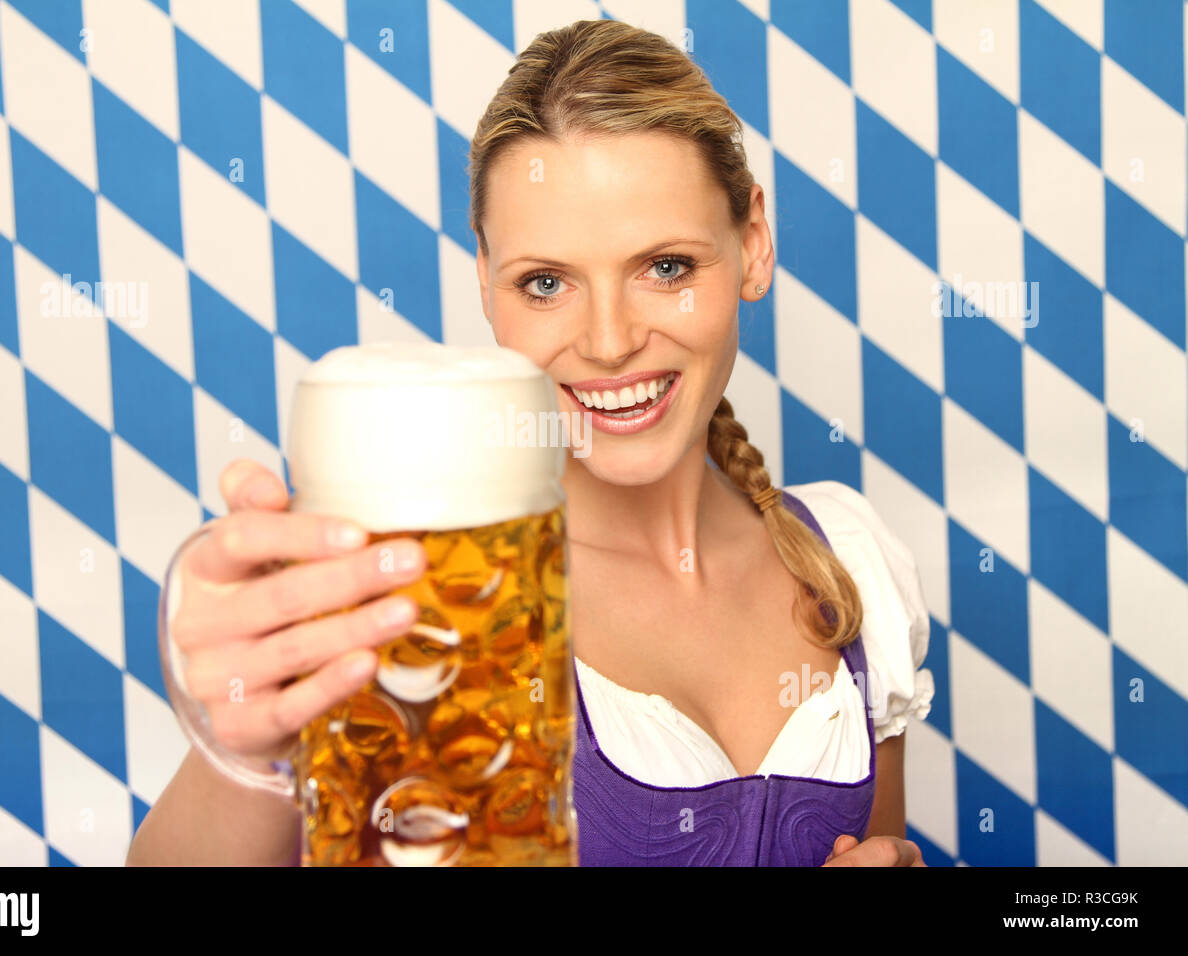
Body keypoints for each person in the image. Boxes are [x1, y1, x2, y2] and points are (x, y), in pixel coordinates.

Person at [127, 17, 933, 867]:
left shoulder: (845, 564)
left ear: (753, 244)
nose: (611, 340)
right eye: (546, 283)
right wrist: (246, 753)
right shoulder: (431, 593)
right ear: (485, 277)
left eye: (665, 267)